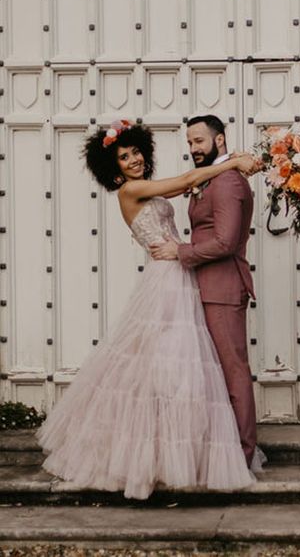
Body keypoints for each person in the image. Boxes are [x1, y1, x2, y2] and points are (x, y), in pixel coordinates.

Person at [36, 120, 263, 500]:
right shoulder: (131, 191)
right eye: (124, 157)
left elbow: (192, 186)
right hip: (166, 278)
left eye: (136, 152)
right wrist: (234, 161)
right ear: (115, 168)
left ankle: (186, 449)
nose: (134, 160)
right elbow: (188, 178)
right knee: (162, 369)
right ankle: (158, 455)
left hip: (183, 272)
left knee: (181, 369)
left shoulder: (145, 188)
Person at [149, 116, 262, 471]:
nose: (193, 148)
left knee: (233, 372)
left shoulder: (227, 181)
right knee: (212, 373)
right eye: (189, 143)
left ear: (220, 140)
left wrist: (179, 252)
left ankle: (242, 456)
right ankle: (220, 451)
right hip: (203, 286)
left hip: (223, 289)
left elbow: (226, 241)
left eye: (199, 141)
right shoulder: (212, 177)